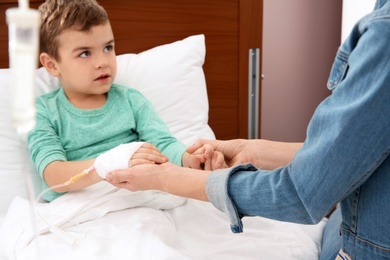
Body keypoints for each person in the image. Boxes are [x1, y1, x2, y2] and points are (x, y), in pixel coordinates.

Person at [106, 0, 390, 259]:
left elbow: (300, 196)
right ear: (57, 65)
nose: (101, 62)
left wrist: (169, 176)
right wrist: (252, 150)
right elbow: (351, 154)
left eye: (109, 48)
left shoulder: (384, 34)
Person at [28, 0, 225, 202]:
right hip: (78, 206)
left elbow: (162, 144)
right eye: (85, 53)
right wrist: (110, 163)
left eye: (108, 47)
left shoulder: (129, 100)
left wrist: (190, 158)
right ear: (52, 65)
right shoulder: (42, 111)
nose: (102, 62)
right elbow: (53, 174)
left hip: (134, 198)